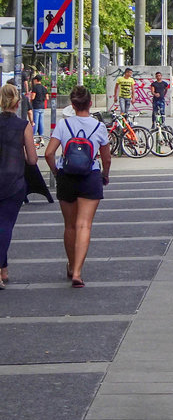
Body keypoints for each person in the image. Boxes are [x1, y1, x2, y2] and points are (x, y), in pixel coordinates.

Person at [44, 84, 112, 287]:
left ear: (72, 105)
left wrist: (56, 171)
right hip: (90, 176)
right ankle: (78, 273)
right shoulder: (99, 127)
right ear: (90, 103)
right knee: (84, 225)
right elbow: (106, 158)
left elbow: (48, 153)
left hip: (67, 177)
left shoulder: (64, 125)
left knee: (70, 225)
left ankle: (71, 264)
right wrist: (104, 176)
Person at [0, 84, 39, 289]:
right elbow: (32, 160)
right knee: (5, 226)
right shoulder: (23, 125)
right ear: (17, 102)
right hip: (13, 181)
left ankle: (3, 270)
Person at [29, 74, 48, 143]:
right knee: (41, 122)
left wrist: (30, 100)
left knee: (35, 122)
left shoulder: (35, 88)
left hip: (36, 106)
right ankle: (41, 137)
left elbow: (33, 97)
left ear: (36, 80)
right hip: (42, 106)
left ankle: (33, 136)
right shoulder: (44, 88)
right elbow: (47, 97)